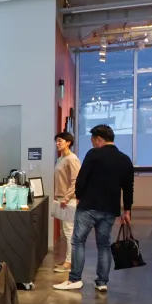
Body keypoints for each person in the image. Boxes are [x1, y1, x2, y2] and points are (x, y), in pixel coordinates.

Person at [54, 124, 134, 293]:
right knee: (103, 245)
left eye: (92, 140)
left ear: (99, 139)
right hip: (110, 209)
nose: (92, 144)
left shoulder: (94, 154)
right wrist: (127, 210)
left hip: (89, 206)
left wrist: (80, 196)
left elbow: (81, 179)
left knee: (78, 241)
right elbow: (128, 187)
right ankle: (102, 282)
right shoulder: (125, 159)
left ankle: (75, 279)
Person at [53, 131, 82, 273]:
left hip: (68, 200)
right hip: (61, 199)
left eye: (60, 141)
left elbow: (76, 181)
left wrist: (66, 197)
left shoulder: (72, 159)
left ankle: (70, 263)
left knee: (69, 231)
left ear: (68, 142)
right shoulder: (60, 159)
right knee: (65, 231)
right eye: (57, 141)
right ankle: (67, 260)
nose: (57, 143)